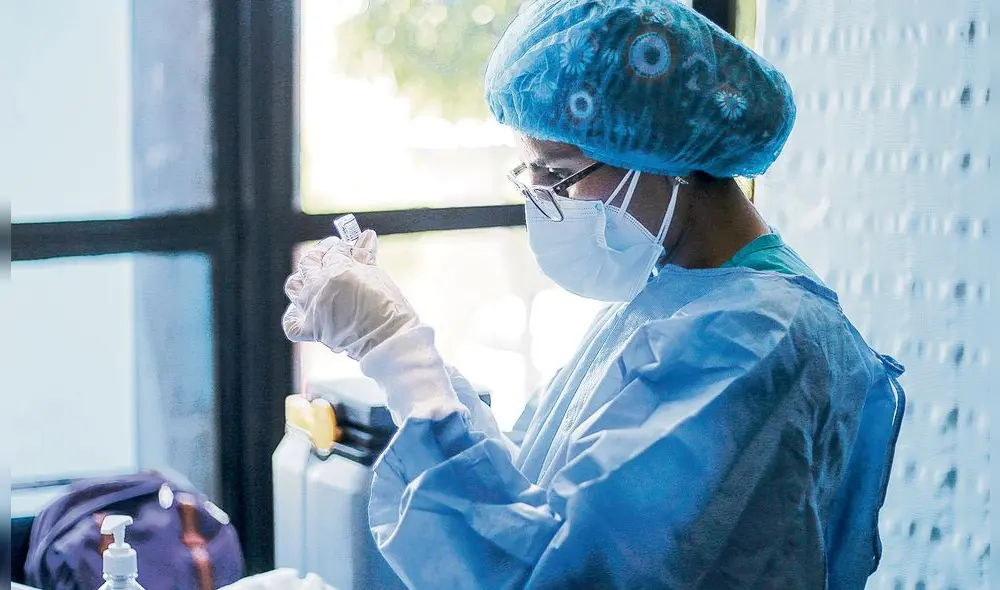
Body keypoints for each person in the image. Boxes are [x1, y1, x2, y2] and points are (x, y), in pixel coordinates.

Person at [282, 1, 906, 588]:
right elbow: (537, 486)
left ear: (663, 151)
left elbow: (552, 570)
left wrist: (395, 353)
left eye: (558, 174)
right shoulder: (673, 295)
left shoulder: (754, 339)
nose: (543, 201)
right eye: (530, 176)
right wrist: (417, 357)